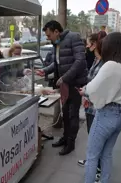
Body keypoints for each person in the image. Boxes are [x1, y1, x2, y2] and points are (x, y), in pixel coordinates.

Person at [78, 32, 121, 183]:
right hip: (120, 116)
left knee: (92, 156)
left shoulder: (110, 65)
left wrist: (85, 91)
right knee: (107, 155)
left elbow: (93, 87)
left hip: (106, 115)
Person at [36, 20, 88, 155]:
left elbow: (80, 61)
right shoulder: (56, 44)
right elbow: (57, 63)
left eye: (49, 35)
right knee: (65, 112)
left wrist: (65, 77)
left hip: (75, 83)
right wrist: (45, 71)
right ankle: (65, 138)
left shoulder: (73, 38)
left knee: (73, 114)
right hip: (64, 84)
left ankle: (71, 142)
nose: (48, 38)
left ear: (56, 32)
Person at [77, 31, 107, 181]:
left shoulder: (104, 64)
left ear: (95, 44)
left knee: (97, 139)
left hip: (96, 107)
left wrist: (86, 93)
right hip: (89, 104)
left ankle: (97, 169)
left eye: (89, 43)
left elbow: (100, 87)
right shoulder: (96, 60)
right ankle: (91, 162)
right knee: (91, 136)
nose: (87, 46)